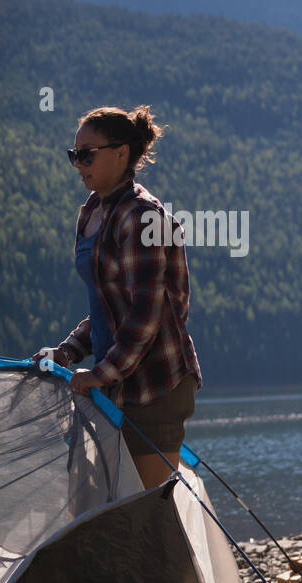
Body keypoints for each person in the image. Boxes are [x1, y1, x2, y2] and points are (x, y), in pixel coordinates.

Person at [31, 105, 202, 489]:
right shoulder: (93, 211)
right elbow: (109, 306)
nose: (78, 164)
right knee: (110, 510)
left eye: (87, 154)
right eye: (74, 154)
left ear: (121, 153)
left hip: (155, 386)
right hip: (114, 385)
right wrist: (68, 352)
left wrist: (98, 374)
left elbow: (146, 315)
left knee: (145, 512)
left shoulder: (144, 217)